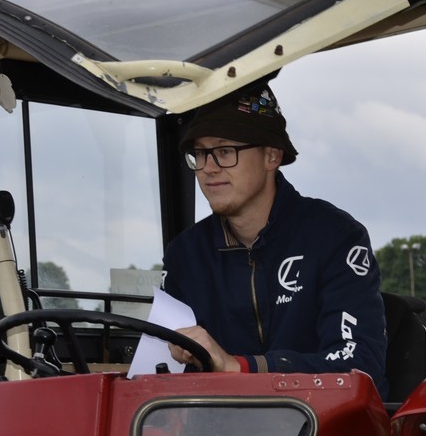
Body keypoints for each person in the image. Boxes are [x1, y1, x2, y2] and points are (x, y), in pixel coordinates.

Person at [161, 84, 389, 399]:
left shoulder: (335, 237)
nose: (208, 168)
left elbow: (360, 365)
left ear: (271, 155)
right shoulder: (185, 256)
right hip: (217, 426)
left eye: (225, 151)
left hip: (322, 423)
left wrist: (240, 367)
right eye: (200, 153)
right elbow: (162, 377)